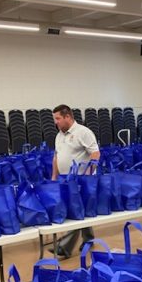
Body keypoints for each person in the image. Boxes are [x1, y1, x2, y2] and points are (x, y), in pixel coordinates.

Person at [50, 104, 100, 257]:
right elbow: (56, 157)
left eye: (58, 118)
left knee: (75, 212)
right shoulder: (59, 135)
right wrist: (54, 177)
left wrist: (88, 175)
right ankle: (89, 239)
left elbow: (95, 154)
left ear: (67, 117)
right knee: (81, 211)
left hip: (81, 181)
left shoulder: (83, 132)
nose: (56, 122)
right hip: (66, 179)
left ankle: (64, 247)